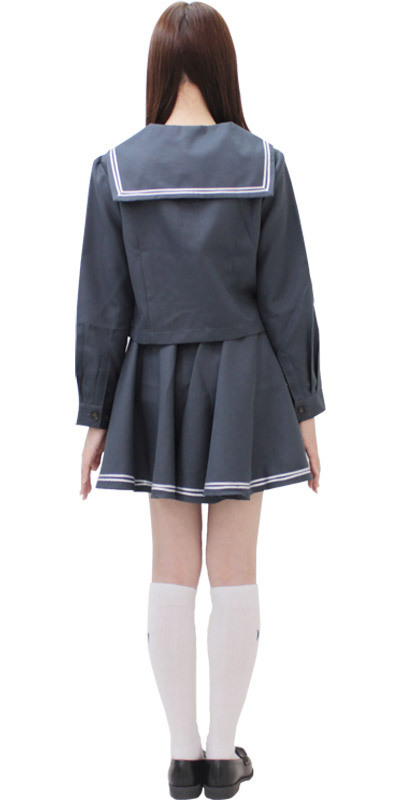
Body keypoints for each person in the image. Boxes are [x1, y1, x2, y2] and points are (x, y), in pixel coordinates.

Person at [74, 3, 325, 798]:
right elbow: (288, 299)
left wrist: (95, 416)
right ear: (223, 67)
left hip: (155, 383)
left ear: (157, 69)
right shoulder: (265, 163)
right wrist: (307, 410)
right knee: (236, 569)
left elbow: (103, 307)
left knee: (172, 569)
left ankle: (182, 755)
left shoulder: (116, 168)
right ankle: (222, 754)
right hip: (246, 380)